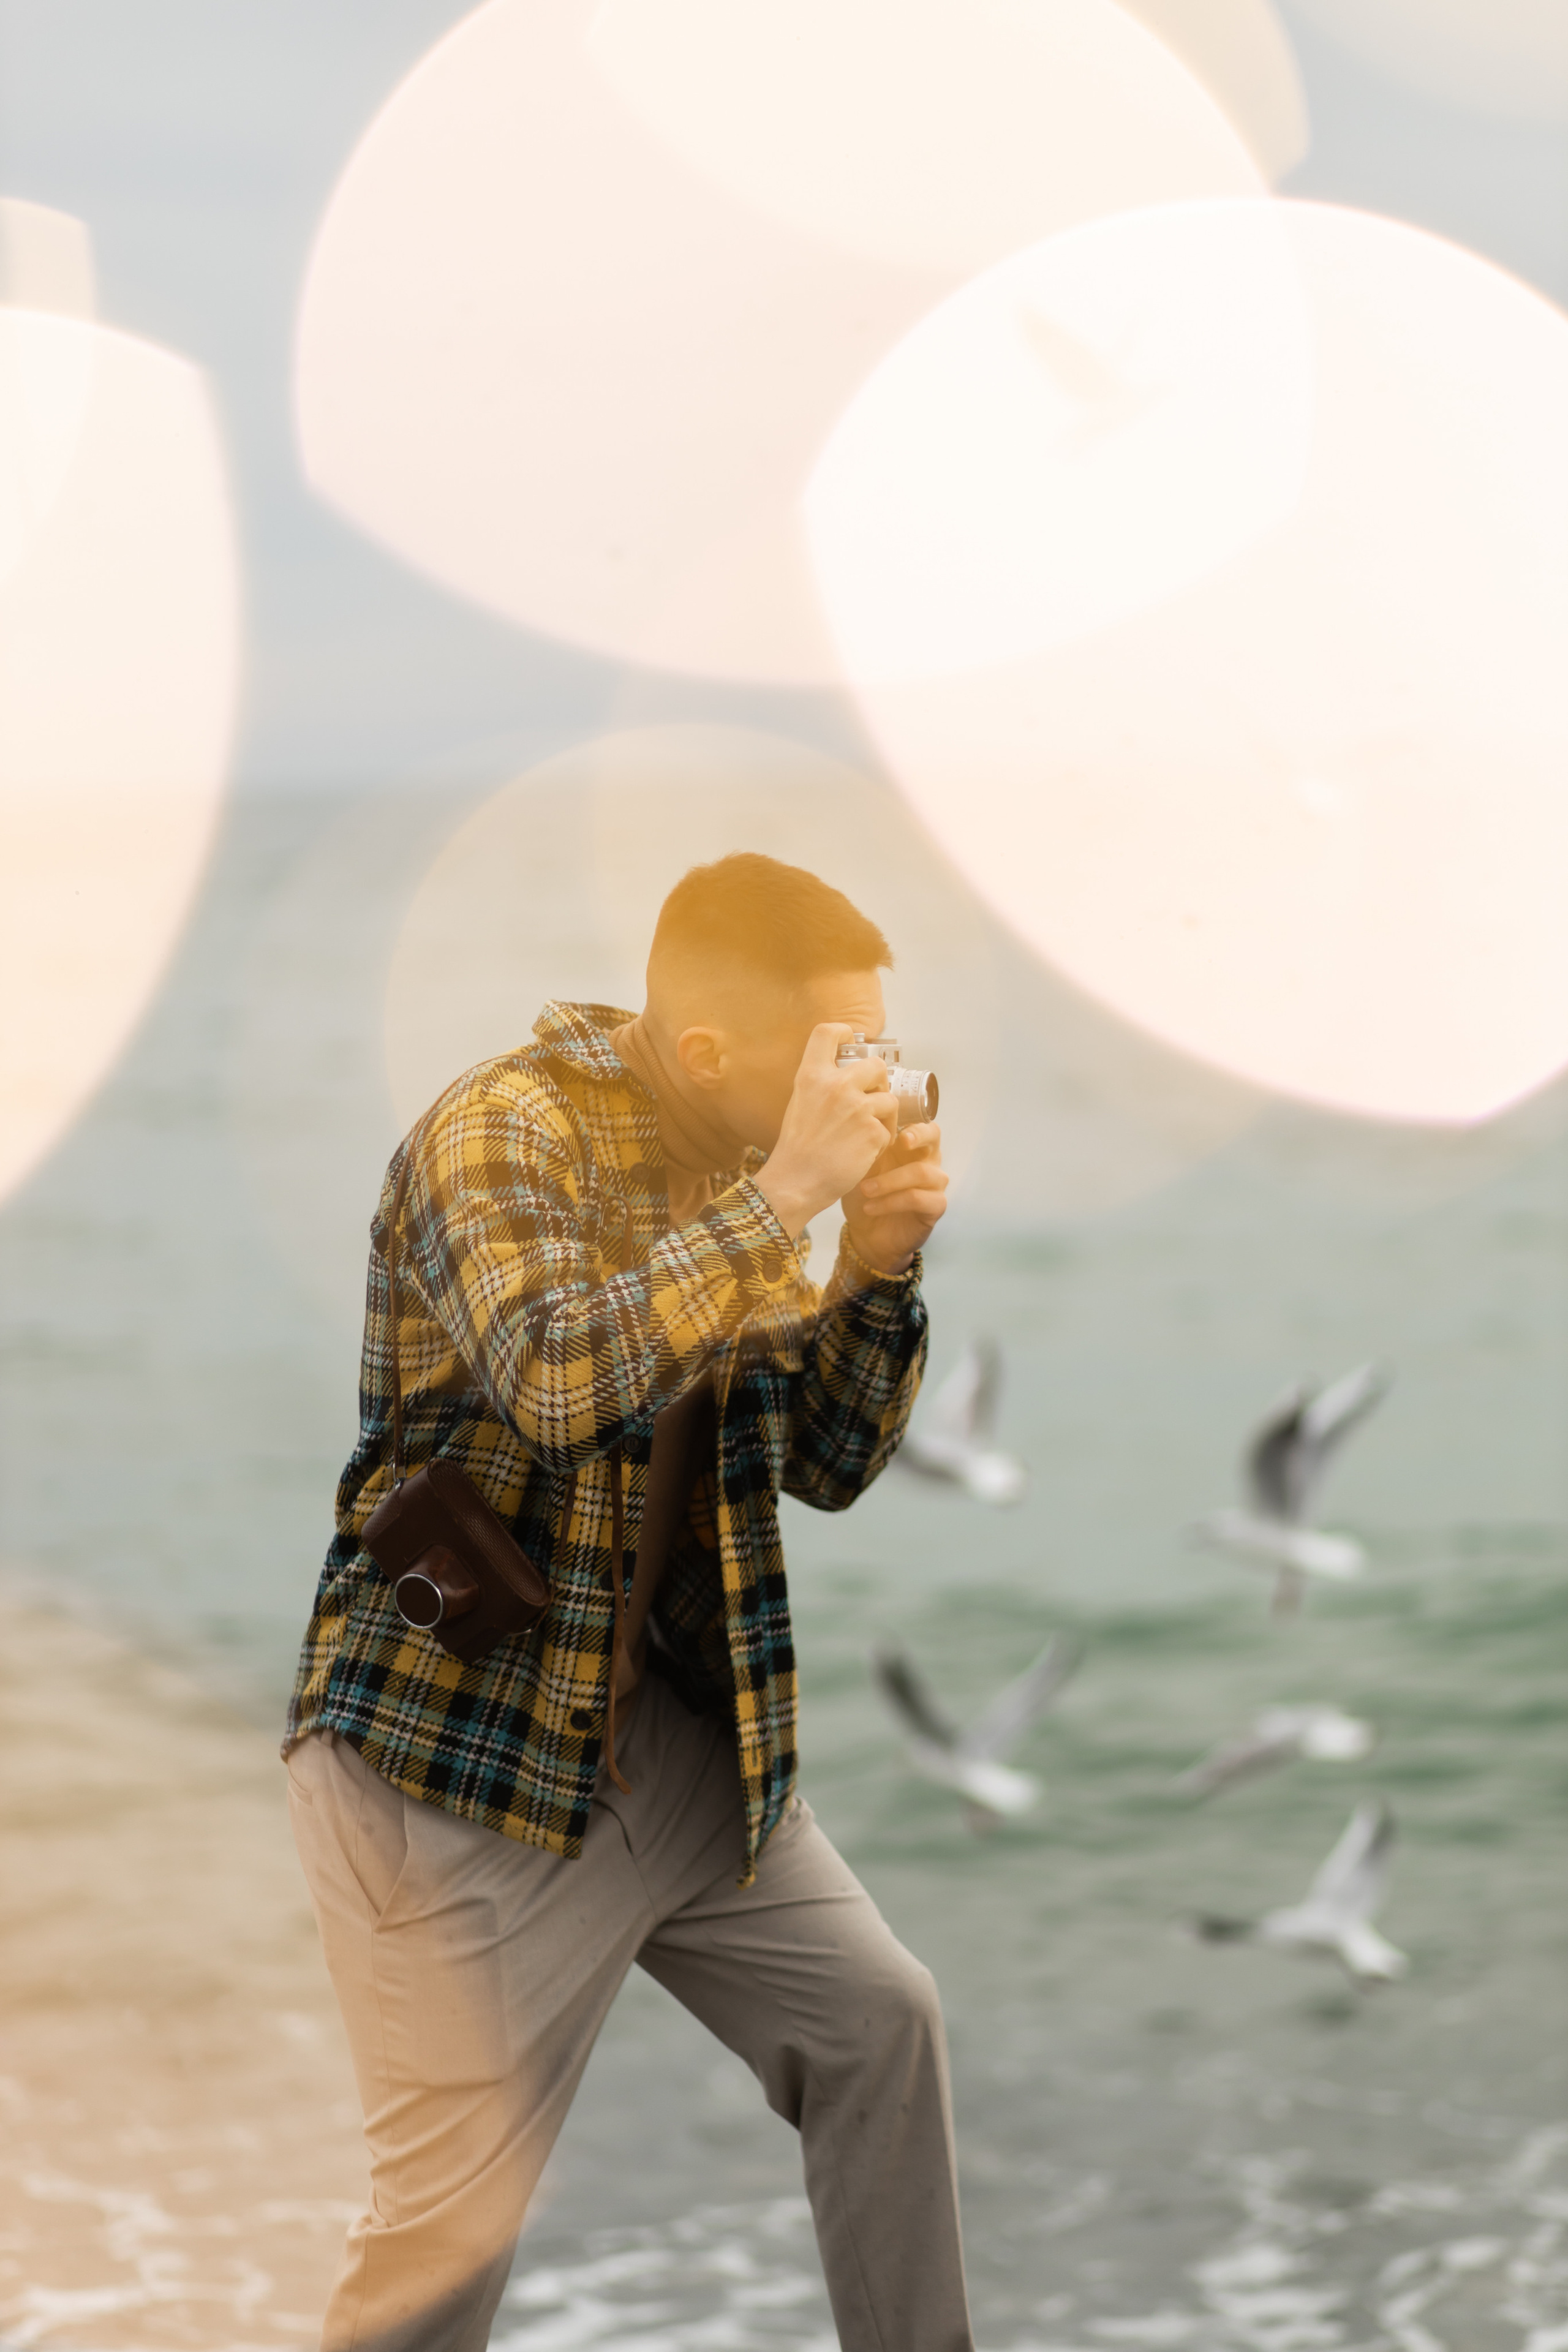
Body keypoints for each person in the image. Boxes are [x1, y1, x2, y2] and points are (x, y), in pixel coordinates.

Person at [284, 851, 970, 2350]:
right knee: (438, 2255)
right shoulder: (496, 1134)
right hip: (461, 1760)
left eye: (872, 1046)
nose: (863, 1086)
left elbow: (829, 1462)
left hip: (676, 1741)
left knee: (879, 2027)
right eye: (833, 1054)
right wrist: (789, 1198)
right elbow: (553, 1378)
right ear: (713, 1053)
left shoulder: (746, 1159)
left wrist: (872, 1270)